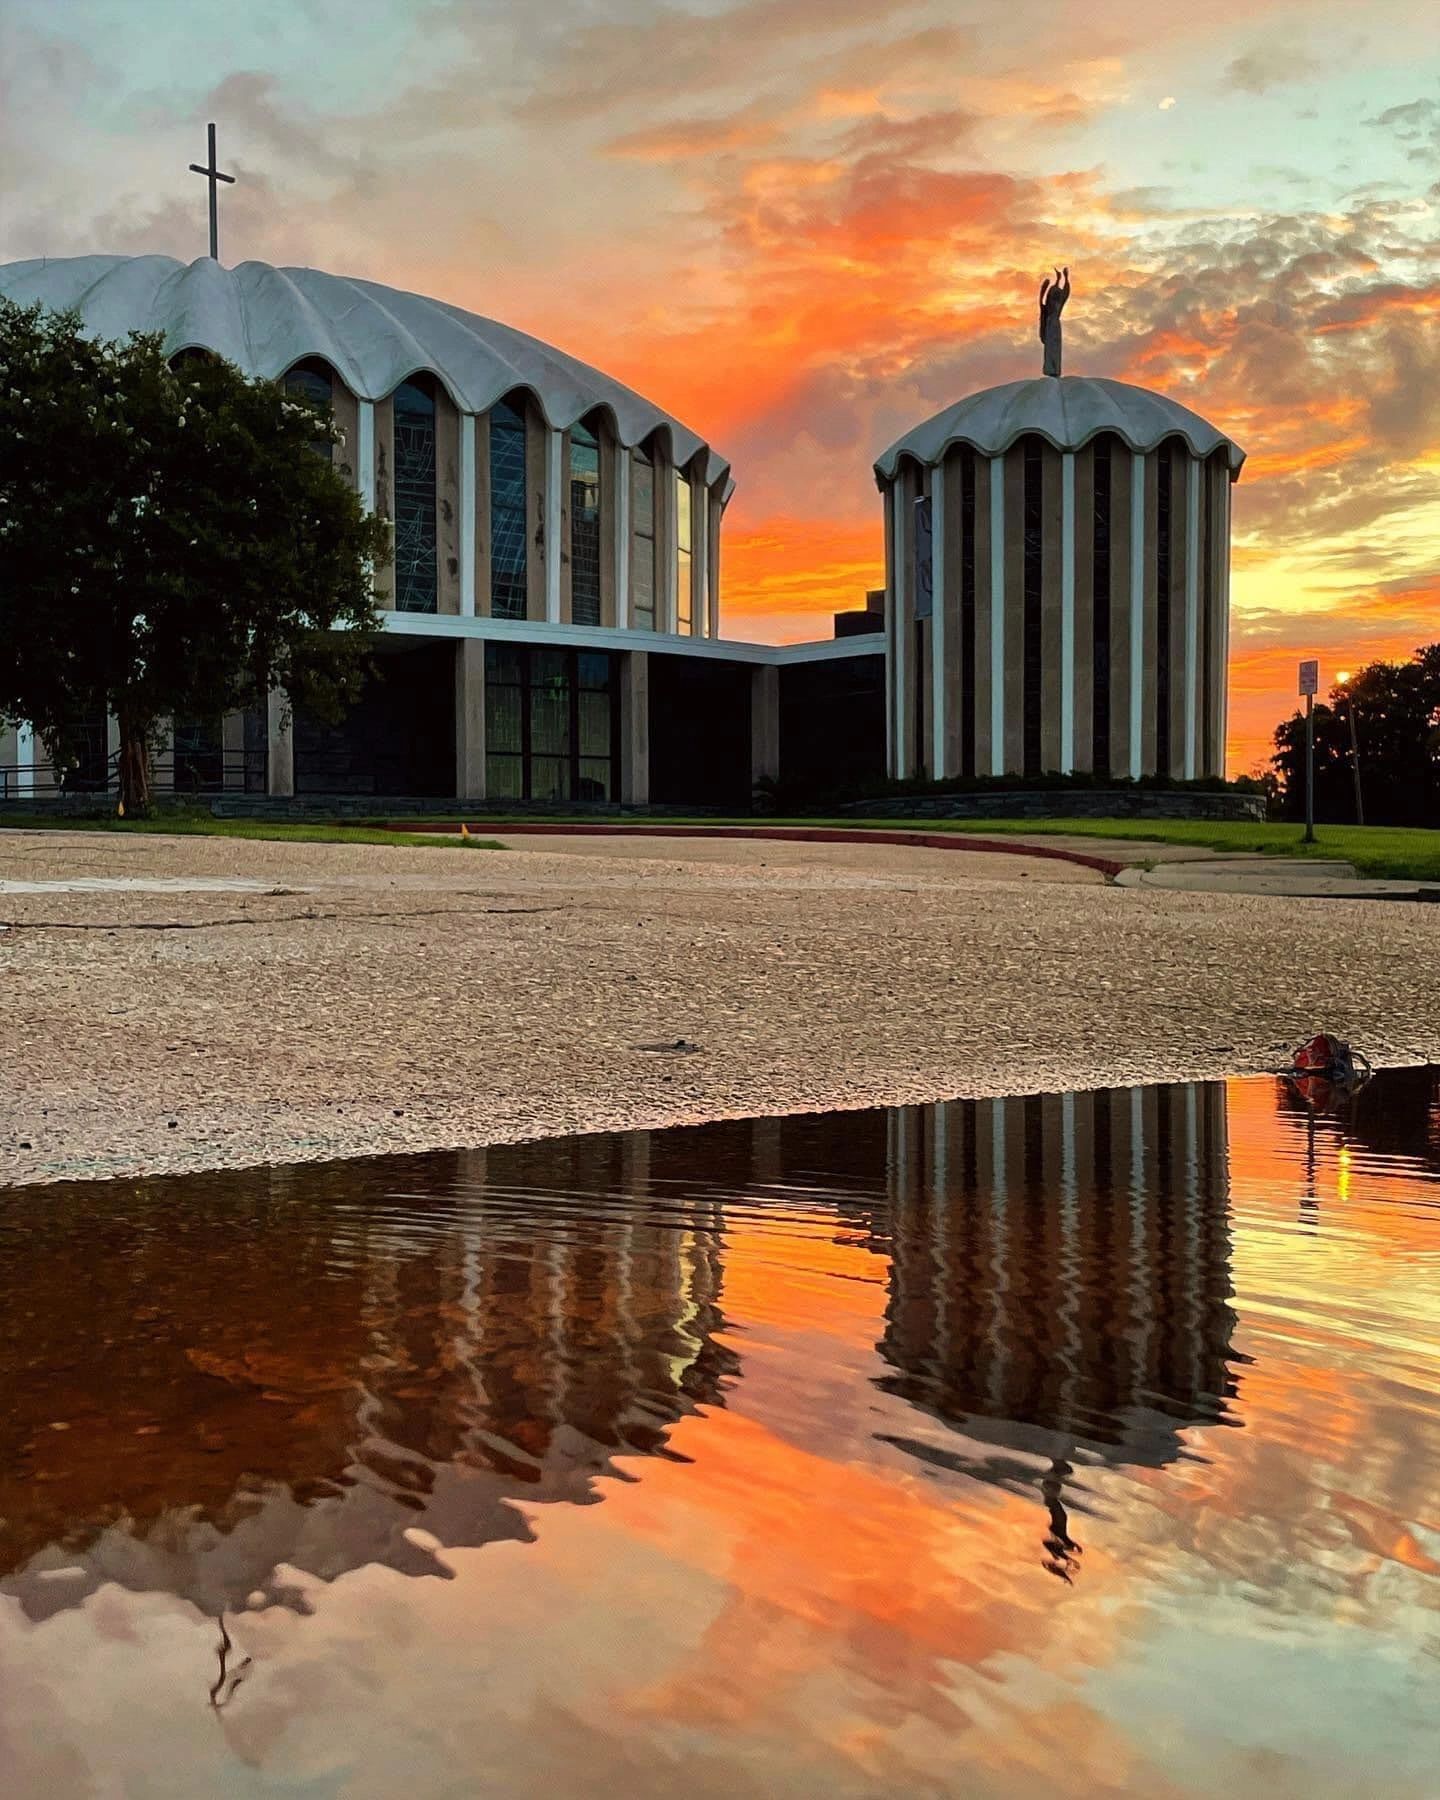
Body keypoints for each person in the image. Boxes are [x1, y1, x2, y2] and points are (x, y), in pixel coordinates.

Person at [1038, 265, 1070, 377]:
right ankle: (1050, 368)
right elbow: (1042, 303)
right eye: (1053, 295)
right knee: (1050, 347)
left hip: (1055, 325)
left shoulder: (1058, 303)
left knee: (1055, 348)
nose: (1055, 298)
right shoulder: (1048, 307)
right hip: (1050, 325)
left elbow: (1065, 293)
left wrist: (1065, 277)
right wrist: (1059, 278)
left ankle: (1055, 368)